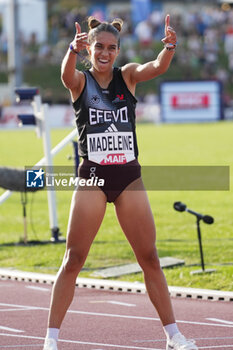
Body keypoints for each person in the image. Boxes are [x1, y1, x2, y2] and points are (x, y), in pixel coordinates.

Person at [43, 14, 198, 350]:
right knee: (73, 258)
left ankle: (174, 336)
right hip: (93, 177)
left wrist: (170, 46)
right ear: (90, 49)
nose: (106, 53)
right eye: (99, 47)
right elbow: (65, 75)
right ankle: (51, 340)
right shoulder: (81, 82)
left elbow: (156, 67)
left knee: (150, 258)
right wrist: (72, 48)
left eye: (112, 48)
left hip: (129, 177)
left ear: (117, 50)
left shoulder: (126, 76)